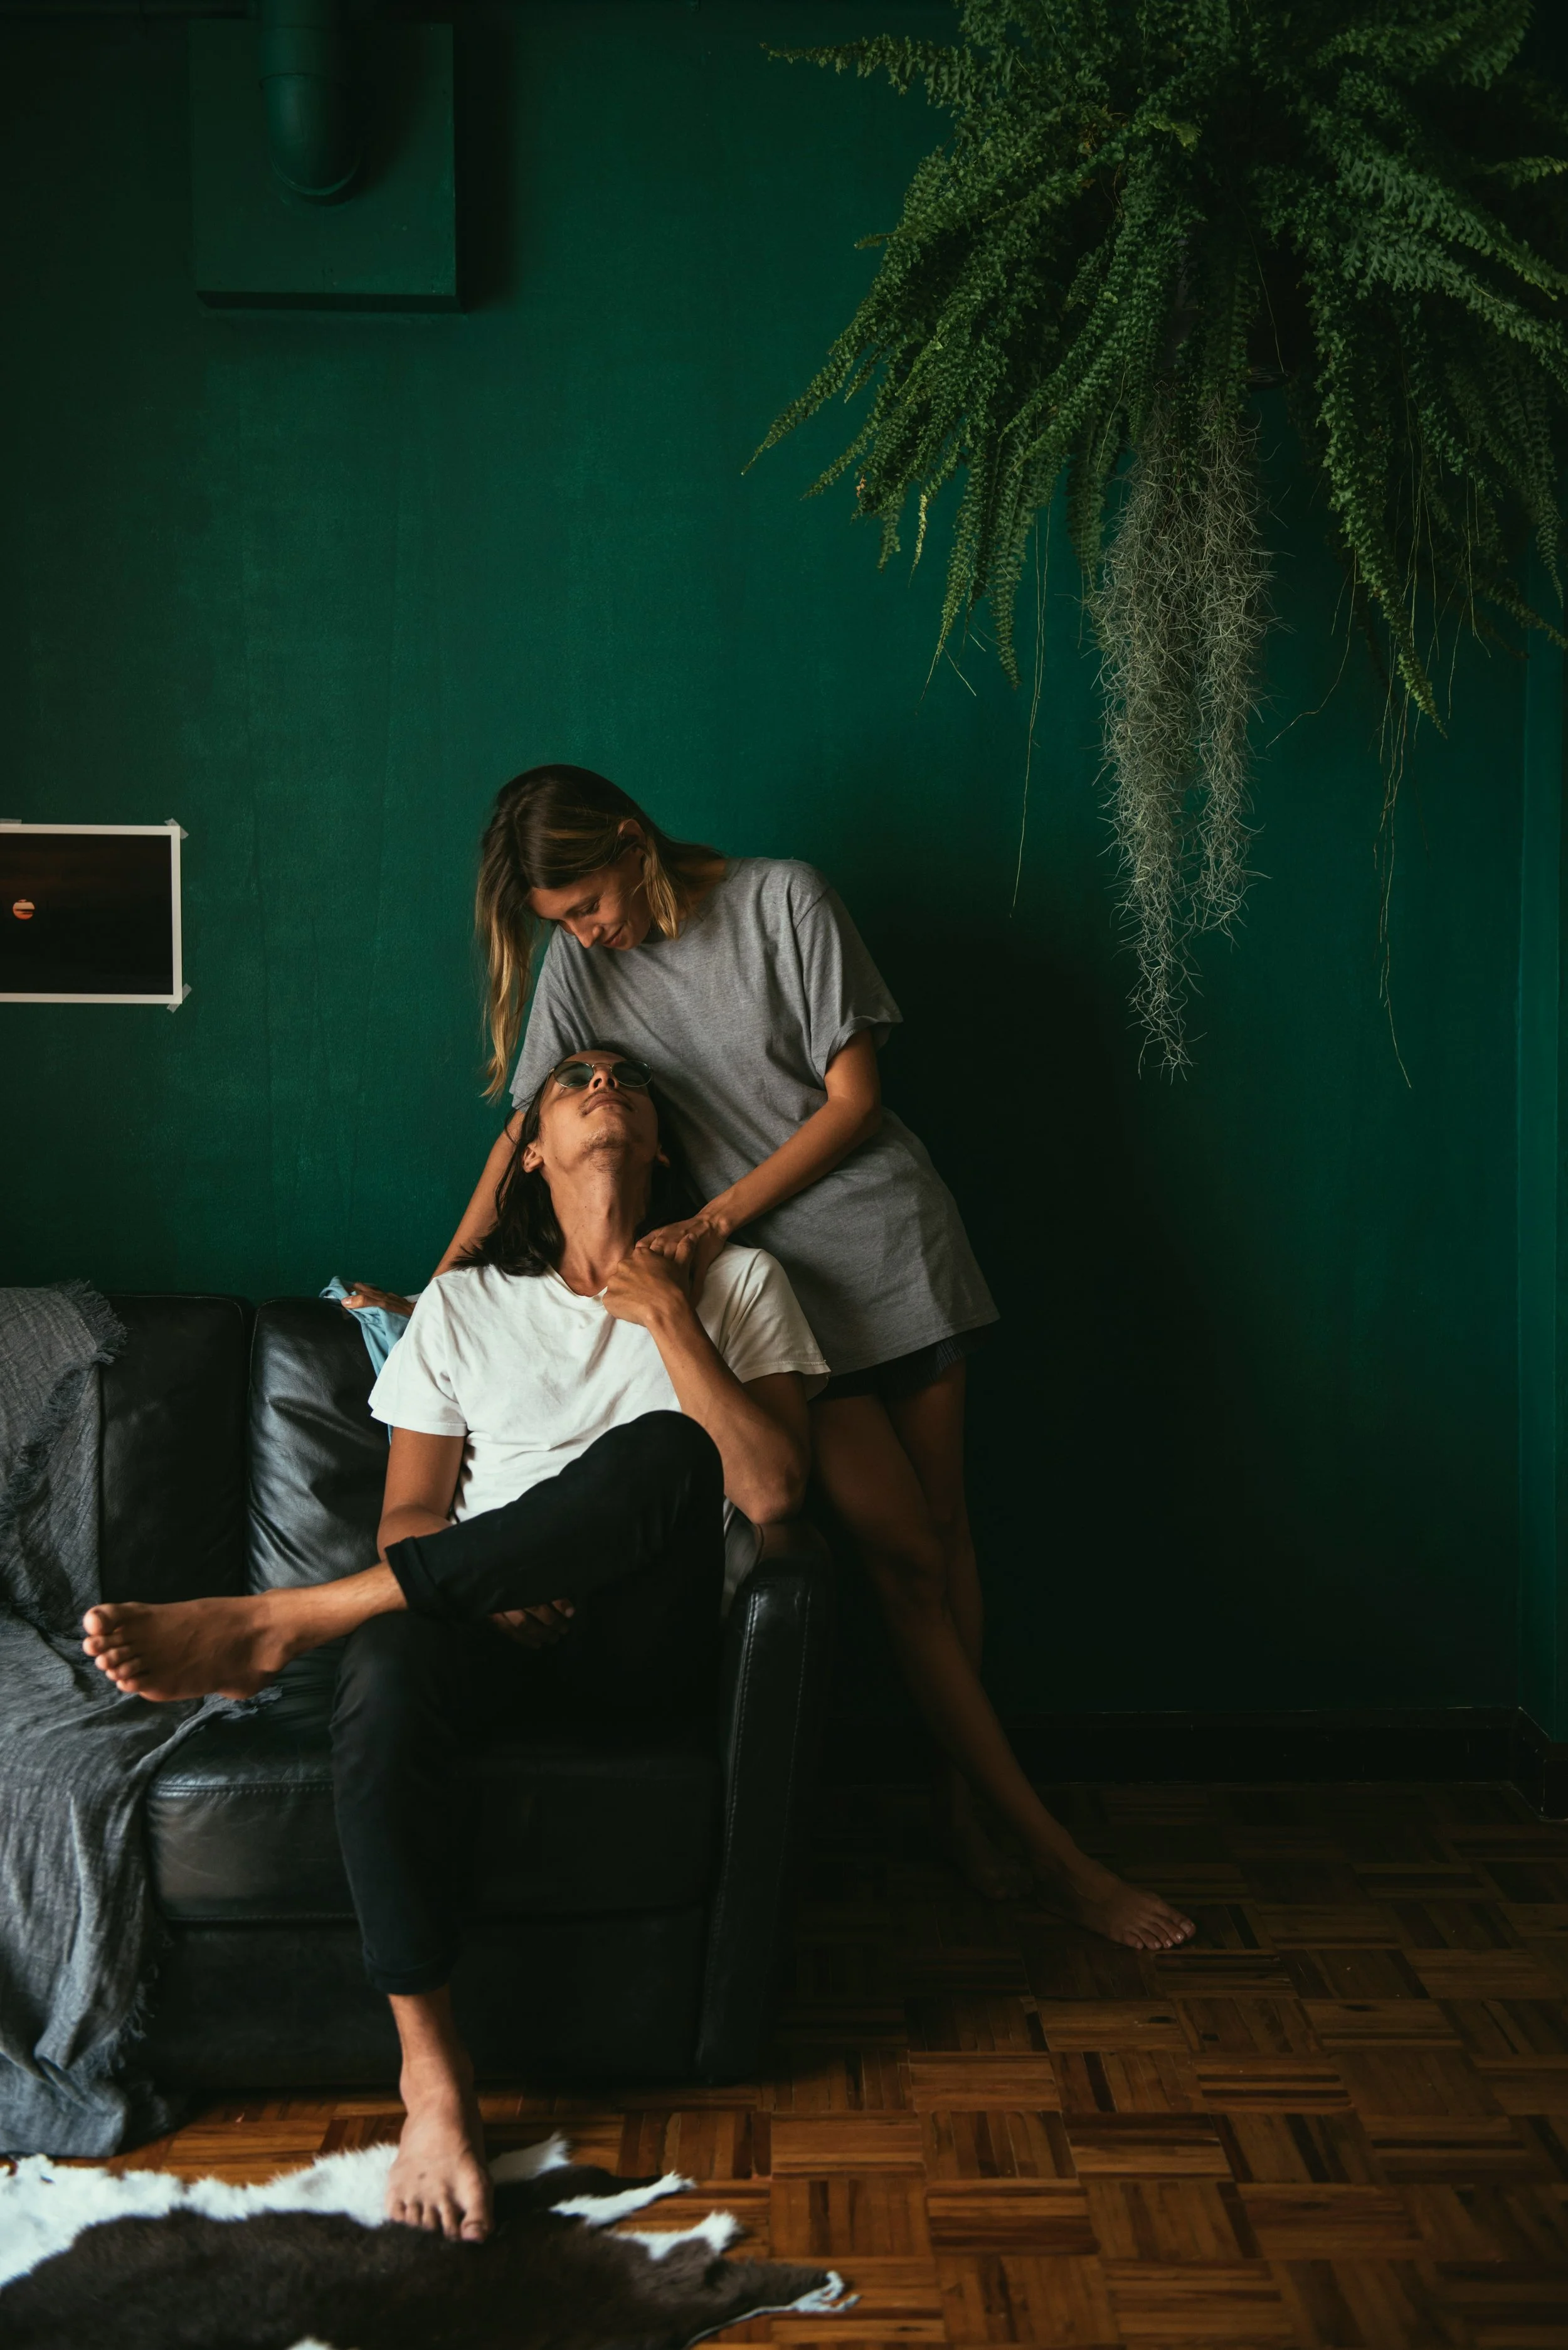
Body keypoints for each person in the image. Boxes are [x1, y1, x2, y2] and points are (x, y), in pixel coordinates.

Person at [349, 765, 1194, 1954]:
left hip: (878, 1246)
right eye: (564, 924)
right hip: (762, 1298)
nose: (588, 935)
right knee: (875, 1541)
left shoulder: (783, 900)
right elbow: (522, 1132)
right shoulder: (582, 963)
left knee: (932, 1543)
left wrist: (711, 1224)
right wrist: (444, 1284)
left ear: (633, 843)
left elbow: (857, 1101)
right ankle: (1044, 1841)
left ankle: (972, 1807)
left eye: (590, 904)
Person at [82, 1047, 829, 2245]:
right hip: (481, 1630)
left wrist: (674, 1316)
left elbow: (779, 1489)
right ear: (529, 1149)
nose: (601, 1086)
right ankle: (431, 2078)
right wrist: (481, 1595)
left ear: (663, 1143)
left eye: (625, 1080)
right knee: (384, 1667)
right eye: (572, 1078)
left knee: (667, 1451)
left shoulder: (739, 1281)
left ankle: (289, 1618)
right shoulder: (464, 1305)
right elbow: (411, 1519)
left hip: (639, 1646)